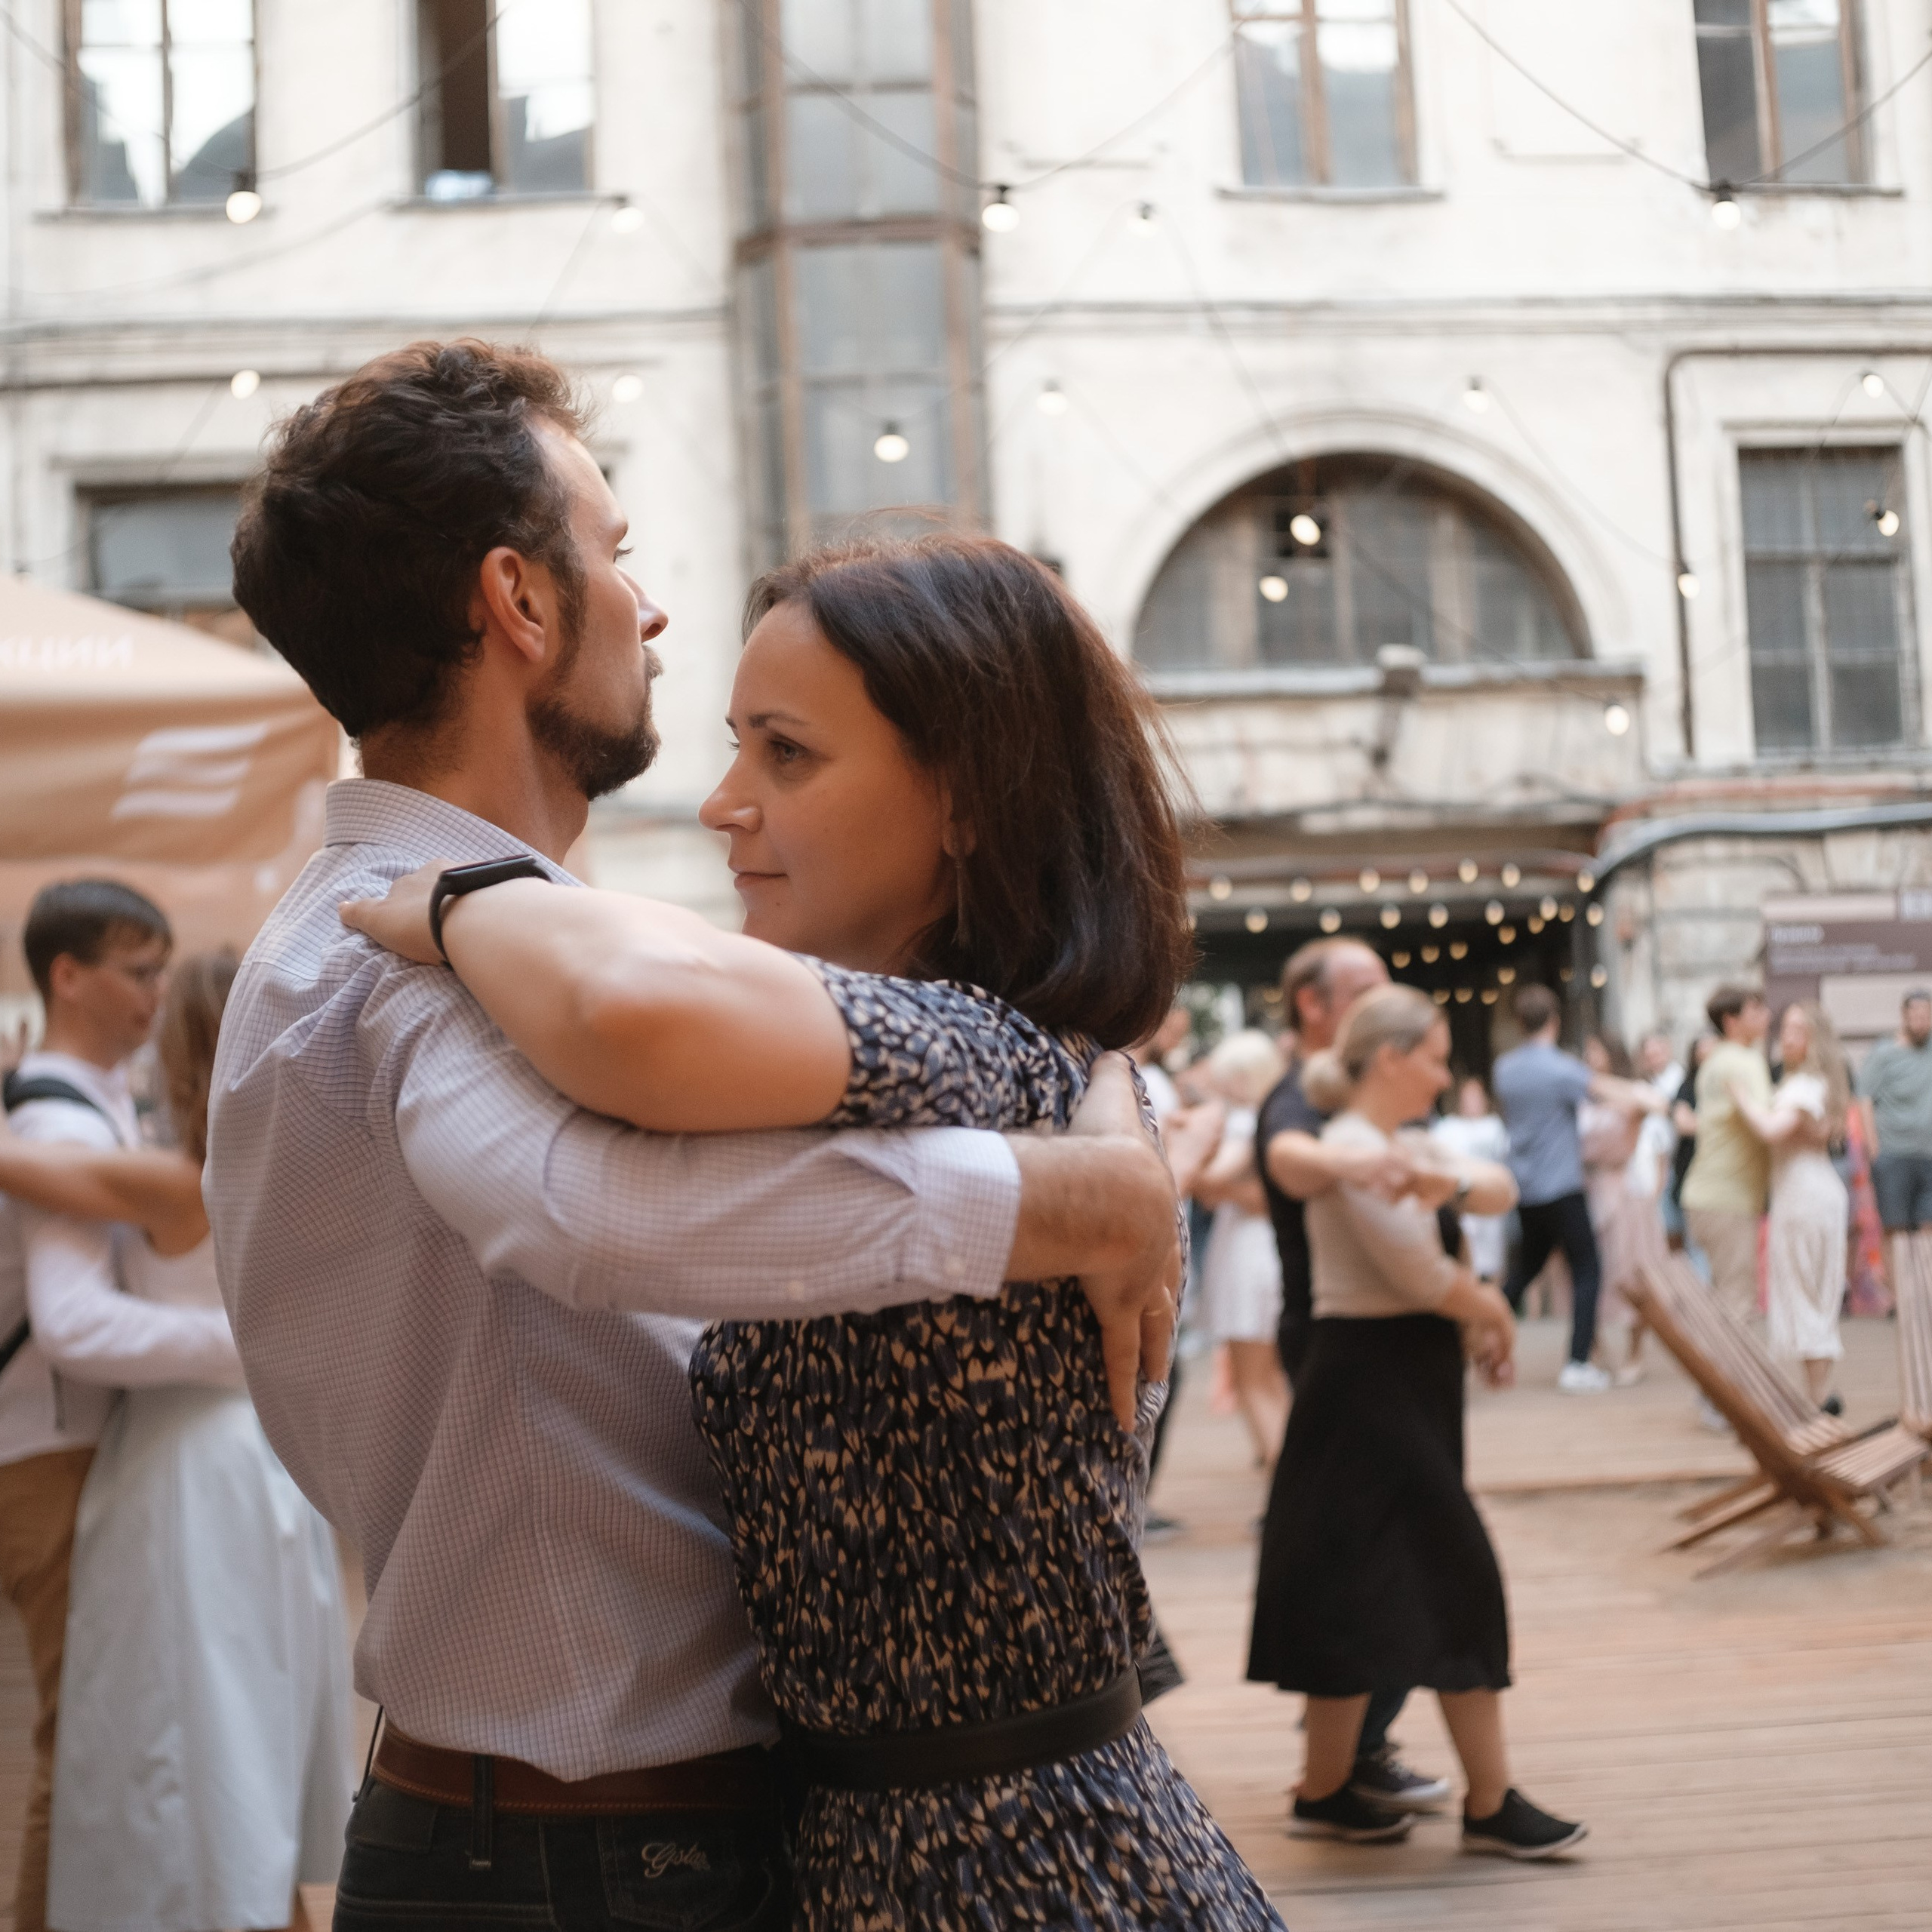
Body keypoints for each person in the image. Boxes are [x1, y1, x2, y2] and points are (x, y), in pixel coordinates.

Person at [209, 342, 1244, 1931]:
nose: (648, 607)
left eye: (786, 750)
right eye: (614, 550)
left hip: (740, 1845)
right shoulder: (414, 956)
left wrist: (1099, 1126)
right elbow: (587, 1208)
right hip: (585, 1857)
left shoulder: (449, 932)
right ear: (519, 602)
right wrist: (1067, 1199)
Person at [0, 953, 352, 1931]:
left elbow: (21, 1179)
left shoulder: (170, 1182)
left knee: (176, 1726)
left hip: (187, 1469)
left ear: (183, 1053)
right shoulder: (300, 1172)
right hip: (269, 1466)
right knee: (256, 1715)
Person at [1249, 984, 1586, 1860]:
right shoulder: (1356, 1148)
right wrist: (1495, 1313)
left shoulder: (1404, 1144)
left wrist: (1452, 1182)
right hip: (1370, 1386)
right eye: (1435, 1058)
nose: (1444, 1074)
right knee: (1455, 1574)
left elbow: (1501, 1189)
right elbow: (1418, 1274)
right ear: (1391, 1058)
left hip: (1388, 1384)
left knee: (1354, 1586)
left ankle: (1327, 1791)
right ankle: (1489, 1800)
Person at [0, 881, 240, 1932]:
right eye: (138, 970)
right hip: (52, 1453)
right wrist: (248, 1353)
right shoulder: (56, 1112)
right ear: (68, 976)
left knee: (107, 1739)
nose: (156, 991)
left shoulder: (86, 1103)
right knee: (83, 1745)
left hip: (76, 1447)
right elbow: (72, 1324)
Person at [1252, 937, 1496, 1820]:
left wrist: (1436, 1177)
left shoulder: (1384, 1122)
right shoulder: (1312, 1103)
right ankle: (1361, 1770)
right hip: (1349, 1353)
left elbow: (1486, 1190)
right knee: (1395, 1560)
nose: (1379, 995)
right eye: (1361, 988)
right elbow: (1287, 1158)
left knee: (1372, 1560)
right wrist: (1351, 1161)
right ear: (1313, 1007)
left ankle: (1346, 1767)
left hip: (1388, 1358)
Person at [1494, 986, 1665, 1391]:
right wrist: (1648, 1096)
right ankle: (1577, 1362)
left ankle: (1474, 1328)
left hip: (1526, 1188)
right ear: (1554, 1022)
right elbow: (1604, 1089)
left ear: (1519, 1023)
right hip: (1561, 1187)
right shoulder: (1560, 1069)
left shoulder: (1505, 1069)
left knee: (1526, 1268)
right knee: (1588, 1268)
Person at [1733, 1004, 1851, 1408]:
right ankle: (1820, 1394)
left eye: (1798, 1030)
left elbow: (1771, 1130)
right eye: (1785, 1028)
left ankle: (1818, 1398)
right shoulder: (1815, 1082)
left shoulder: (1804, 1087)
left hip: (1803, 1198)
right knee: (1817, 1295)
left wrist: (1741, 1098)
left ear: (1815, 1038)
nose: (1787, 1036)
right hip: (1814, 1193)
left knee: (1805, 1295)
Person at [1192, 1029, 1291, 1472]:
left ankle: (1285, 1479)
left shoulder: (1246, 1122)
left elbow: (1208, 1179)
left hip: (1247, 1255)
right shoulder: (1273, 1118)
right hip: (1259, 1248)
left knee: (1253, 1380)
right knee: (1267, 1377)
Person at [1578, 1033, 1669, 1386]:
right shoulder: (1579, 1095)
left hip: (1625, 1191)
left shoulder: (1630, 1094)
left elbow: (1657, 1103)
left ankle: (1635, 1352)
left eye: (1595, 1049)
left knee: (1631, 1275)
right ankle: (1594, 1350)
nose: (1589, 1056)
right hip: (1588, 1189)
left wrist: (1601, 1085)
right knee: (1588, 1275)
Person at [1680, 985, 1774, 1323]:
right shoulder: (1744, 1061)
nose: (1766, 1016)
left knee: (1723, 1303)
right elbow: (1767, 1122)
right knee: (1738, 1306)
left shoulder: (1715, 1061)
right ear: (1731, 1021)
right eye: (1755, 1011)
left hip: (1706, 1195)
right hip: (1727, 1199)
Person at [1856, 989, 1932, 1287]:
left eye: (1926, 1016)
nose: (1921, 1021)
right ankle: (1900, 1297)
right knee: (1895, 1228)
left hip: (1928, 1156)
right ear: (1904, 1016)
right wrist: (1874, 1149)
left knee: (1927, 1227)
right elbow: (1864, 1099)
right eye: (1916, 1015)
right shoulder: (1884, 1053)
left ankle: (1925, 1295)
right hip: (1894, 1154)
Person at [1431, 1076, 1510, 1284]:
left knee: (1494, 1260)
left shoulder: (1494, 1126)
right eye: (1469, 1097)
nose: (1473, 1102)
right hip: (1463, 1205)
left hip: (1491, 1205)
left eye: (1477, 1097)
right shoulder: (1448, 1128)